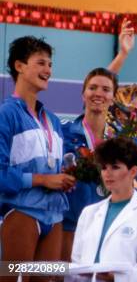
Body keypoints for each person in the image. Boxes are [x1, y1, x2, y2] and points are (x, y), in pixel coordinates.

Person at [61, 19, 135, 261]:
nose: (98, 94)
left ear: (114, 99)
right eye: (92, 88)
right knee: (62, 275)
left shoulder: (121, 141)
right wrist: (121, 56)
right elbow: (103, 80)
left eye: (105, 91)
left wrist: (123, 55)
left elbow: (105, 80)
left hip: (109, 226)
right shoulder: (64, 133)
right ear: (83, 94)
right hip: (70, 224)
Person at [0, 36, 76, 273]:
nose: (48, 70)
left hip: (53, 217)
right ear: (19, 66)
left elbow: (53, 167)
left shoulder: (52, 120)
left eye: (50, 65)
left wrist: (64, 179)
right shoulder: (6, 114)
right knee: (12, 278)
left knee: (48, 280)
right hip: (20, 211)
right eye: (41, 63)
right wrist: (43, 180)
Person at [71, 137, 137, 282]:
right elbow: (76, 264)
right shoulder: (88, 213)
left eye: (115, 167)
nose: (107, 173)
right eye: (104, 168)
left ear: (133, 171)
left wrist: (115, 277)